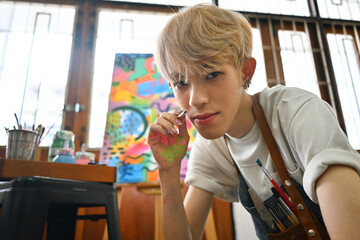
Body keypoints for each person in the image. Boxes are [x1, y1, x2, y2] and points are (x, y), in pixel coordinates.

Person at [147, 3, 360, 240]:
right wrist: (167, 171)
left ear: (245, 72)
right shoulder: (212, 147)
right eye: (180, 82)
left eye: (212, 74)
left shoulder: (296, 112)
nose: (196, 99)